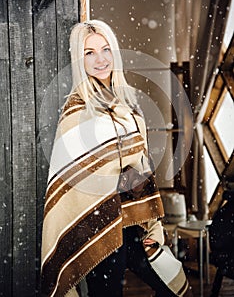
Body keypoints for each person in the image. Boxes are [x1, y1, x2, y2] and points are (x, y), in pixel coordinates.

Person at [41, 20, 190, 297]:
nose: (100, 59)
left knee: (168, 283)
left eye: (106, 49)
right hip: (97, 222)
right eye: (89, 53)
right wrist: (120, 175)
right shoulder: (77, 111)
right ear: (79, 60)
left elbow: (139, 163)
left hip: (131, 218)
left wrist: (149, 219)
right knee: (107, 293)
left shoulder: (126, 104)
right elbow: (78, 177)